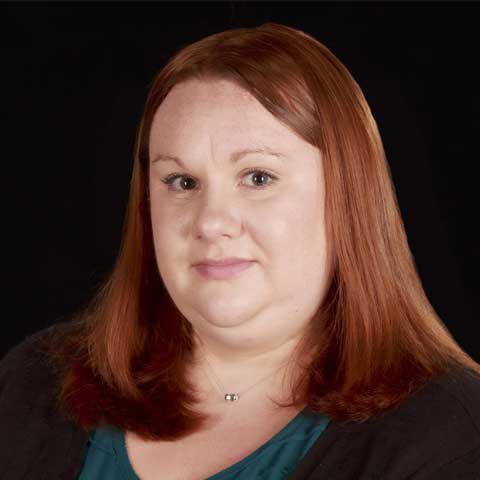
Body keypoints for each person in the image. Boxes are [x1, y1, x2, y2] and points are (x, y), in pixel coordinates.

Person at [1, 22, 479, 480]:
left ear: (347, 198)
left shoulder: (453, 440)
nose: (211, 221)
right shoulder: (32, 384)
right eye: (182, 182)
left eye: (258, 177)